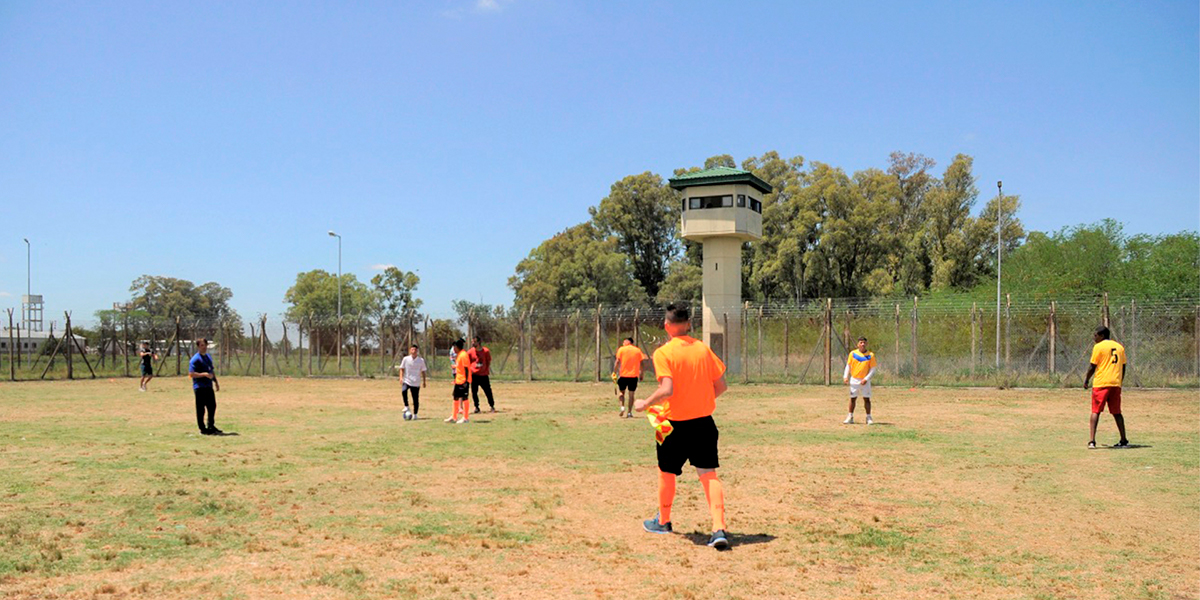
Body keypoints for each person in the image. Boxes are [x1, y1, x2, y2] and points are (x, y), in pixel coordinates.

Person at [634, 305, 730, 550]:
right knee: (708, 474)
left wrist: (645, 403)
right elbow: (721, 386)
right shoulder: (703, 349)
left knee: (666, 471)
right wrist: (698, 401)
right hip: (703, 423)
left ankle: (663, 521)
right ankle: (718, 528)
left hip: (672, 424)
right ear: (688, 324)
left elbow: (667, 389)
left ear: (667, 326)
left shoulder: (663, 353)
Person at [1084, 325, 1129, 449]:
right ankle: (1124, 440)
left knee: (1095, 411)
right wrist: (1120, 380)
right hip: (1115, 383)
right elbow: (1123, 366)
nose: (1094, 338)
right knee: (1117, 412)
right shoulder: (1119, 347)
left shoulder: (1098, 347)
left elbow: (1092, 366)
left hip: (1101, 383)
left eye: (1096, 335)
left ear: (1102, 336)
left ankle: (1092, 441)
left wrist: (1087, 379)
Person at [188, 338, 222, 435]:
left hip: (208, 386)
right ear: (198, 347)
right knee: (201, 408)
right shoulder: (195, 359)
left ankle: (211, 426)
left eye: (205, 345)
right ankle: (202, 428)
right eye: (202, 345)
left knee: (212, 406)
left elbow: (211, 370)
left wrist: (215, 382)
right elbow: (191, 374)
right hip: (199, 387)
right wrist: (204, 374)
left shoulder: (207, 357)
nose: (204, 347)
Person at [843, 337, 877, 425]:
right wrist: (845, 376)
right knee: (852, 398)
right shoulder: (853, 353)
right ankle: (850, 416)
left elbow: (873, 369)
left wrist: (866, 379)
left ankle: (868, 417)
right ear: (858, 344)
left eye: (864, 342)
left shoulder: (870, 355)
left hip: (865, 381)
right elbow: (848, 365)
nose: (863, 344)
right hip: (854, 379)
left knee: (866, 399)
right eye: (861, 342)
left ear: (866, 344)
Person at [613, 337, 648, 418]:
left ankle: (622, 408)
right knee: (631, 394)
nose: (623, 343)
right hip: (633, 376)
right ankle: (629, 412)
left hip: (623, 375)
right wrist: (642, 373)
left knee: (621, 392)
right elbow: (642, 363)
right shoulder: (637, 350)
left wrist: (614, 372)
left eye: (624, 341)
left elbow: (617, 361)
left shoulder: (621, 349)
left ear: (628, 342)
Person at [445, 339, 471, 424]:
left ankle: (466, 418)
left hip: (463, 380)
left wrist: (466, 381)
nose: (453, 349)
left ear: (457, 347)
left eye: (454, 347)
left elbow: (467, 368)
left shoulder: (463, 355)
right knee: (455, 397)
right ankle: (454, 416)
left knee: (465, 398)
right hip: (458, 380)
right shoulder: (459, 355)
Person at [398, 344, 427, 419]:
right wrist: (401, 378)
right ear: (410, 350)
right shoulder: (406, 359)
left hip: (416, 382)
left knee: (415, 399)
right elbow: (401, 368)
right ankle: (406, 406)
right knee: (404, 391)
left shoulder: (421, 360)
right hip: (407, 380)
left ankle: (415, 414)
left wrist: (424, 381)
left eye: (415, 350)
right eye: (412, 349)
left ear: (417, 351)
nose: (413, 351)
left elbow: (423, 371)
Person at [468, 336, 495, 413]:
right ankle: (476, 407)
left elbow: (488, 361)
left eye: (475, 342)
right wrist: (471, 370)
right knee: (474, 392)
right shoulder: (470, 352)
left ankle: (492, 406)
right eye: (472, 341)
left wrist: (485, 370)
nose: (473, 343)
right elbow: (468, 362)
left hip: (483, 375)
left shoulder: (486, 351)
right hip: (474, 375)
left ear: (479, 342)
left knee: (488, 391)